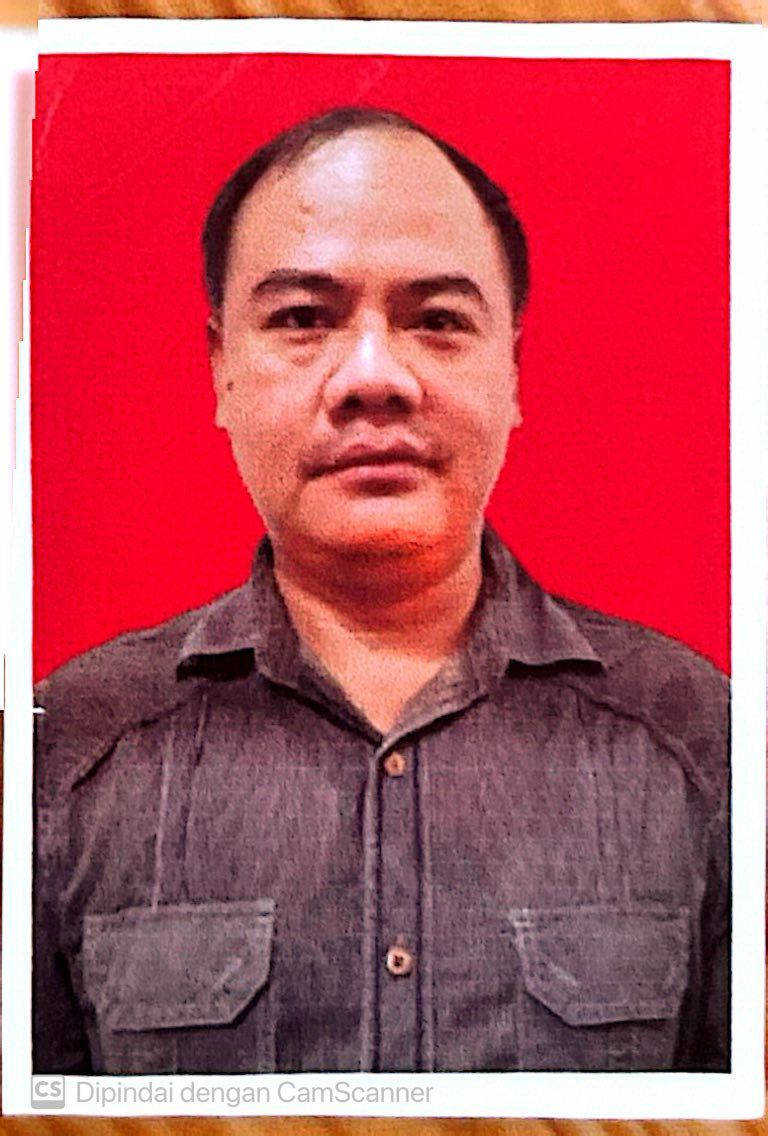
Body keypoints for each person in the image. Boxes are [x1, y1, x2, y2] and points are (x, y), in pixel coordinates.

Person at [34, 106, 729, 1075]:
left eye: (437, 320)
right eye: (302, 319)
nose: (374, 377)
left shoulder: (697, 736)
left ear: (514, 369)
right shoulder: (65, 752)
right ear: (221, 366)